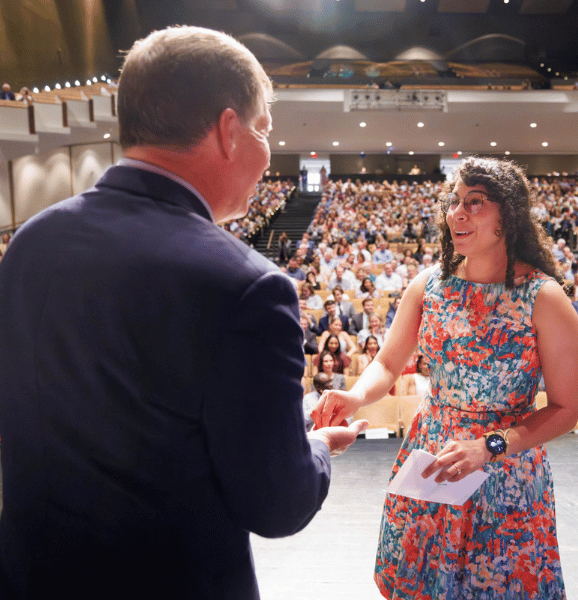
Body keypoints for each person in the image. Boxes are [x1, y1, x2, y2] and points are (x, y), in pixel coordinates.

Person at [0, 26, 367, 600]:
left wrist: (273, 419)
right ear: (228, 130)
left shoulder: (32, 241)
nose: (268, 152)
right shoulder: (246, 285)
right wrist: (316, 447)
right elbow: (278, 504)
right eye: (264, 128)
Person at [313, 157, 578, 599]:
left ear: (507, 216)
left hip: (505, 465)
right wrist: (356, 395)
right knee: (422, 581)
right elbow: (387, 363)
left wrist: (489, 446)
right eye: (454, 202)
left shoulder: (545, 299)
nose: (457, 212)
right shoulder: (429, 286)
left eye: (475, 203)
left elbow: (566, 410)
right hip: (431, 452)